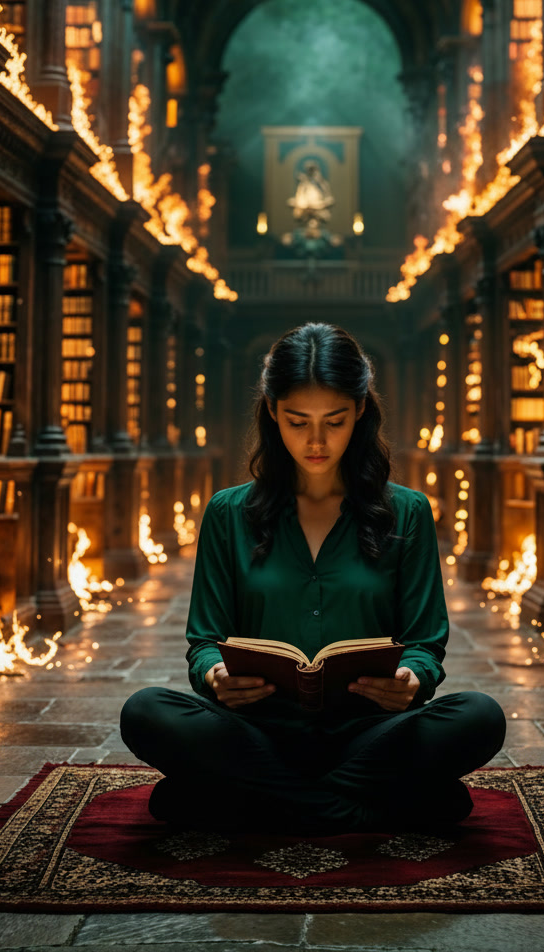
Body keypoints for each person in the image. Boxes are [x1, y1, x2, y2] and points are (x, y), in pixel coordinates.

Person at [120, 322, 506, 836]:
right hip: (257, 731)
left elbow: (424, 642)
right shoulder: (227, 513)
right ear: (272, 412)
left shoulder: (407, 512)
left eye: (335, 421)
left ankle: (254, 802)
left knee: (480, 715)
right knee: (145, 711)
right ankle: (364, 806)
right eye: (298, 422)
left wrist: (413, 681)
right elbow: (205, 640)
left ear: (361, 411)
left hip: (370, 731)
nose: (317, 441)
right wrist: (215, 675)